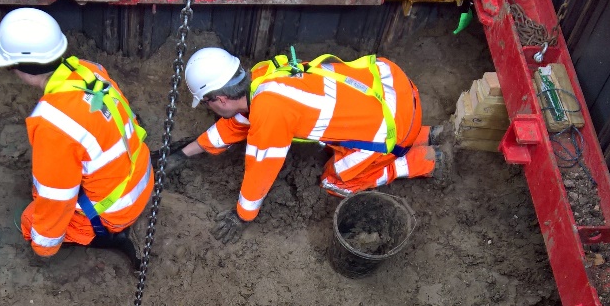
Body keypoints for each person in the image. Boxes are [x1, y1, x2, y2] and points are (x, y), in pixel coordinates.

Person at [172, 47, 442, 243]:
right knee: (333, 137)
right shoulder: (262, 75)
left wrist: (241, 216)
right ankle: (425, 133)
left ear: (220, 99)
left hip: (392, 125)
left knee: (333, 182)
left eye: (206, 102)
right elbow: (236, 123)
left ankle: (420, 160)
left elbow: (261, 170)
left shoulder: (271, 114)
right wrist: (184, 154)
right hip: (390, 84)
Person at [0, 8, 153, 268]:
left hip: (114, 211)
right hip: (139, 179)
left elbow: (56, 197)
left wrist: (43, 247)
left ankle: (99, 233)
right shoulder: (90, 70)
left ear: (16, 67)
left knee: (30, 221)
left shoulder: (54, 124)